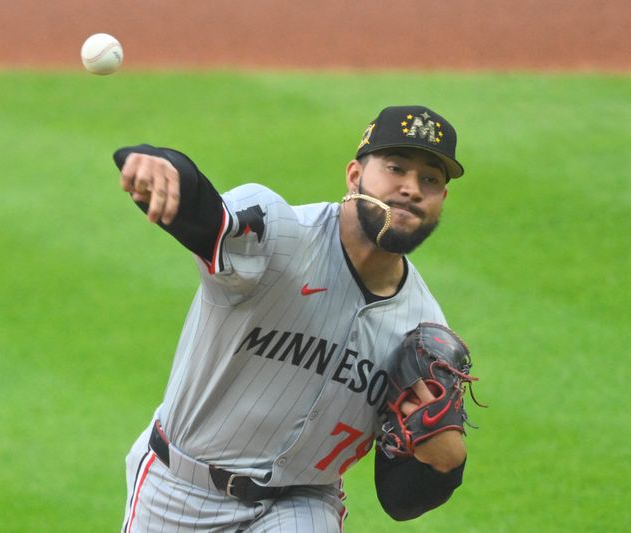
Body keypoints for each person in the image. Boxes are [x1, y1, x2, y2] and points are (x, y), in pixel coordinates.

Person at [114, 105, 470, 532]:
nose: (411, 188)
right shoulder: (282, 236)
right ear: (354, 175)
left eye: (429, 180)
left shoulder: (421, 331)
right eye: (396, 168)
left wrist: (446, 467)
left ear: (441, 200)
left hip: (301, 504)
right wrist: (165, 164)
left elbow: (400, 500)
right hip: (178, 489)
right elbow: (207, 216)